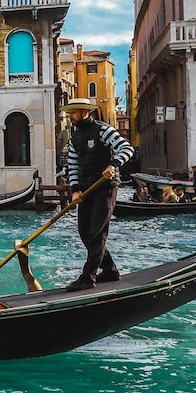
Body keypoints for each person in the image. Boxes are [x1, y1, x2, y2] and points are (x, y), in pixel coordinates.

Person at [62, 97, 135, 291]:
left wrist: (113, 164)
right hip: (86, 190)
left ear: (86, 112)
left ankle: (88, 277)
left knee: (96, 233)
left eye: (74, 113)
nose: (71, 117)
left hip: (104, 188)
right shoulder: (74, 139)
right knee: (85, 232)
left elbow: (127, 149)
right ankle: (110, 270)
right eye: (70, 113)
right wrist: (75, 190)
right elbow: (73, 166)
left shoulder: (103, 130)